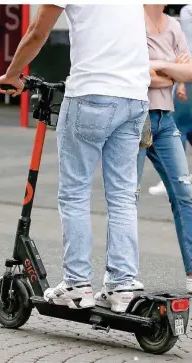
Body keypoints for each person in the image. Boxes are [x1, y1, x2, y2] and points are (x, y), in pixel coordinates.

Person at [0, 4, 150, 313]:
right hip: (134, 95)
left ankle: (77, 284)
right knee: (121, 195)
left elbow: (37, 31)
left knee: (75, 192)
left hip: (92, 92)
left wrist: (13, 74)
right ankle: (122, 285)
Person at [137, 5, 192, 293]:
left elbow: (190, 71)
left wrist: (159, 67)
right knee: (126, 199)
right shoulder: (132, 20)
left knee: (185, 194)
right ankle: (121, 276)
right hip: (135, 118)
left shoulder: (172, 25)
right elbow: (135, 74)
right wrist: (173, 69)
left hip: (165, 119)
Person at [149, 5, 192, 196]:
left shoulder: (187, 12)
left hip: (186, 81)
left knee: (179, 127)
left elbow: (186, 54)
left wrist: (179, 79)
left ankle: (178, 178)